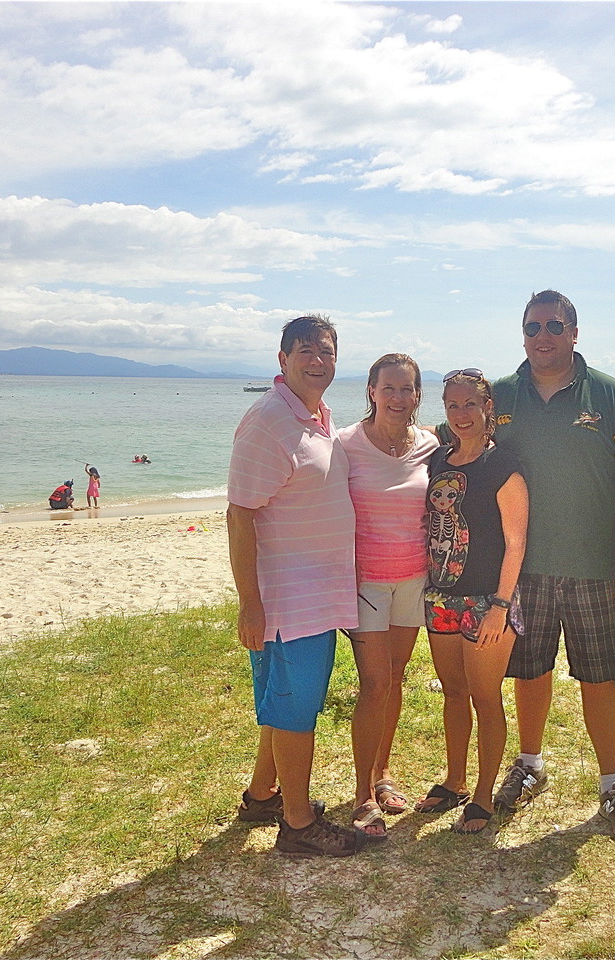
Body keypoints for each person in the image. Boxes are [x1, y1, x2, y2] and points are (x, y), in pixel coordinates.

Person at [445, 290, 615, 845]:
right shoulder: (503, 395)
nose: (543, 336)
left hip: (596, 567)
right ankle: (530, 765)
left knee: (599, 675)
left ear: (574, 333)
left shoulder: (607, 394)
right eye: (533, 326)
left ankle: (612, 783)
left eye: (555, 326)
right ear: (522, 334)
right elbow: (454, 445)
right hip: (522, 573)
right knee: (530, 672)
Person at [226, 315, 365, 858]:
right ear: (282, 360)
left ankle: (263, 796)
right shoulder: (268, 420)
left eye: (326, 351)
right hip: (287, 601)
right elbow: (240, 516)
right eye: (305, 351)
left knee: (281, 702)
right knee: (295, 709)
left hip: (314, 595)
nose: (317, 360)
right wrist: (251, 605)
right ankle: (299, 824)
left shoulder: (314, 415)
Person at [418, 369, 528, 834]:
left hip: (489, 602)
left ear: (488, 409)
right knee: (454, 693)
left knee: (486, 697)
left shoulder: (504, 467)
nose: (461, 414)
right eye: (452, 406)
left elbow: (516, 542)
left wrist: (501, 606)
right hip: (441, 596)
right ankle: (455, 780)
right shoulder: (438, 462)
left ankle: (483, 794)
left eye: (470, 405)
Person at [335, 354, 440, 840]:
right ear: (371, 392)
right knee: (374, 685)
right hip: (366, 583)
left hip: (414, 579)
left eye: (408, 389)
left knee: (394, 679)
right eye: (389, 388)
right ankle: (361, 796)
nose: (399, 398)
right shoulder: (346, 445)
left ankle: (381, 774)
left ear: (418, 395)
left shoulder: (429, 446)